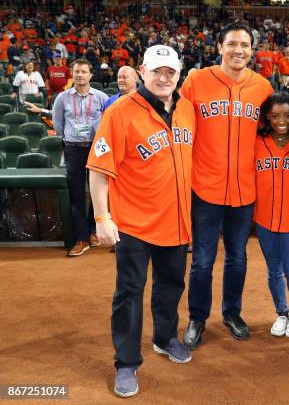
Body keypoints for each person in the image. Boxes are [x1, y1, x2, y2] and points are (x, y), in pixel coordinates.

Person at [86, 44, 196, 398]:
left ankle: (164, 338)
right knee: (129, 294)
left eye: (171, 72)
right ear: (143, 72)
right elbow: (99, 171)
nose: (164, 78)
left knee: (171, 287)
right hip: (133, 224)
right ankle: (127, 362)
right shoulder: (120, 112)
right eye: (157, 71)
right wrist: (102, 217)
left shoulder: (187, 110)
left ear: (178, 75)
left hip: (177, 222)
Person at [181, 23, 274, 348]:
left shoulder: (262, 86)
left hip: (245, 188)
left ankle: (232, 312)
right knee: (203, 259)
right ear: (219, 45)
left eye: (245, 45)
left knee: (238, 256)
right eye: (232, 43)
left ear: (252, 50)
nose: (238, 50)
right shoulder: (196, 80)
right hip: (205, 186)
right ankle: (197, 317)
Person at [254, 92, 289, 338]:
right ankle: (281, 312)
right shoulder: (256, 142)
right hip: (264, 217)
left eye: (287, 115)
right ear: (267, 117)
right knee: (273, 270)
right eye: (275, 116)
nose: (281, 121)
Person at [53, 59, 108, 257]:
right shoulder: (62, 98)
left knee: (96, 192)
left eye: (84, 71)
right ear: (72, 74)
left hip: (96, 149)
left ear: (90, 75)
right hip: (73, 149)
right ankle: (82, 237)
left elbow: (108, 123)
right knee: (76, 194)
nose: (80, 75)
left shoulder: (102, 97)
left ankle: (93, 230)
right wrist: (72, 136)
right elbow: (58, 124)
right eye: (76, 71)